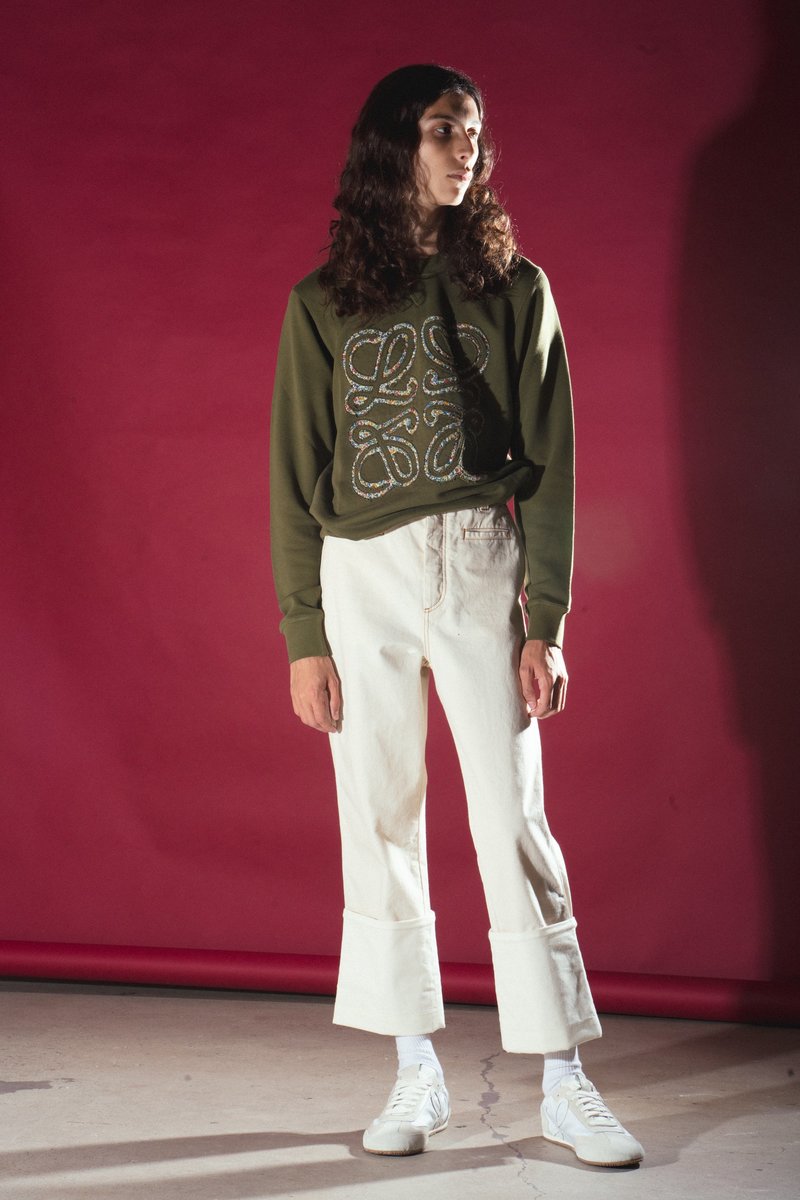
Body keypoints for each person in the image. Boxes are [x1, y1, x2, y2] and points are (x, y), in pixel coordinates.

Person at [269, 63, 644, 1167]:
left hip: (481, 557)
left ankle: (563, 1081)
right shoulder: (322, 301)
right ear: (394, 146)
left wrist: (548, 616)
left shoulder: (513, 286)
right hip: (363, 572)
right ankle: (415, 1069)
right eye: (442, 130)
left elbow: (555, 459)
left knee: (509, 814)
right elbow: (294, 477)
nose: (464, 147)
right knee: (378, 813)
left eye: (473, 131)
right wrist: (304, 635)